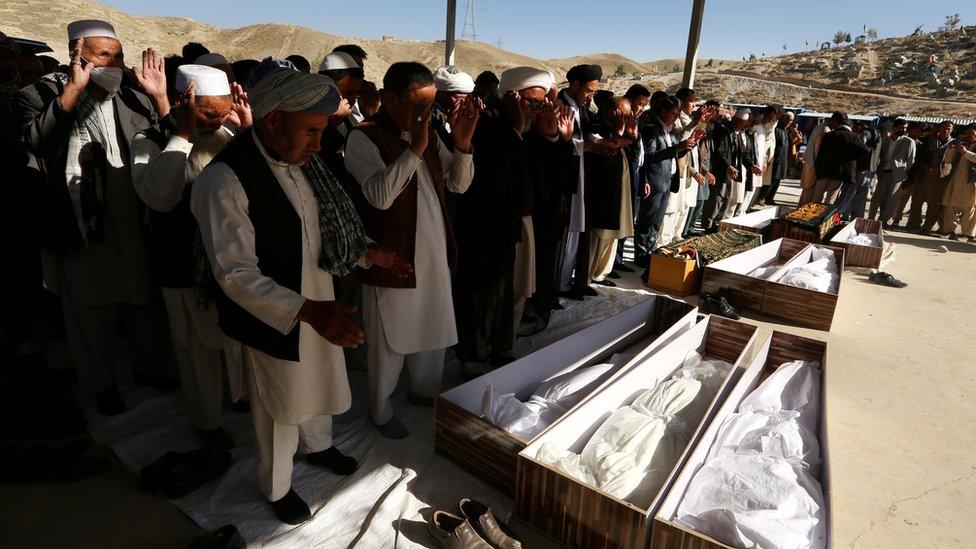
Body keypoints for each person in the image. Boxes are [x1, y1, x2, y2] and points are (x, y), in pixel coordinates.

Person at [191, 68, 412, 524]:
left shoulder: (300, 162)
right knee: (279, 404)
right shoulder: (225, 181)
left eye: (321, 132)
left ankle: (319, 448)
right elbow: (234, 274)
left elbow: (319, 231)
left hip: (317, 298)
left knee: (321, 379)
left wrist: (369, 254)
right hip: (272, 313)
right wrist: (308, 310)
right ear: (273, 121)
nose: (317, 144)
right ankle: (276, 486)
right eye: (311, 131)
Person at [19, 20, 175, 415]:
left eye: (119, 56)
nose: (116, 63)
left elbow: (169, 140)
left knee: (143, 301)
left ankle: (149, 369)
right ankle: (100, 384)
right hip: (81, 224)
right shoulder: (37, 95)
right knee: (89, 311)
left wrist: (160, 99)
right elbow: (37, 141)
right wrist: (73, 90)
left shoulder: (134, 98)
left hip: (134, 221)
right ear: (77, 53)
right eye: (104, 55)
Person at [344, 62, 478, 439]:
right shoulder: (363, 137)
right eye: (417, 106)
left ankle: (424, 391)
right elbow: (379, 197)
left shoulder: (430, 133)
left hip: (432, 252)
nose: (425, 115)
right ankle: (380, 410)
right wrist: (415, 149)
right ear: (389, 98)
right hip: (393, 256)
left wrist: (463, 144)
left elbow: (458, 185)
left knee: (432, 325)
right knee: (388, 340)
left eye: (430, 107)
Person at [130, 64, 252, 449]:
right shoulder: (148, 142)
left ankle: (238, 401)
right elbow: (161, 197)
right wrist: (182, 133)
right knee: (195, 352)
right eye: (208, 114)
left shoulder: (226, 135)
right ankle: (207, 423)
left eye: (222, 114)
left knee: (231, 342)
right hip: (181, 267)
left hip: (229, 265)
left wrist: (248, 134)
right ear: (185, 103)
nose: (215, 122)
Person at [453, 66, 563, 376]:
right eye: (530, 102)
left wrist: (553, 136)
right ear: (510, 98)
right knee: (481, 290)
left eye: (540, 103)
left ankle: (504, 344)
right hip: (485, 225)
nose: (535, 109)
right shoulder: (486, 124)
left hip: (522, 220)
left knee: (516, 288)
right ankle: (472, 353)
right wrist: (514, 129)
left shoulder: (535, 128)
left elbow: (554, 173)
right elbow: (487, 173)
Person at [634, 96, 698, 272]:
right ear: (663, 111)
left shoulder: (669, 130)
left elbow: (673, 155)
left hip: (667, 182)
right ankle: (640, 255)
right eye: (673, 113)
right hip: (654, 181)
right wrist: (676, 148)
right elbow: (651, 156)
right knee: (646, 221)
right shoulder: (651, 129)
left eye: (678, 114)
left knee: (656, 222)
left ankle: (649, 251)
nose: (676, 117)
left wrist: (685, 147)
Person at [555, 64, 602, 300]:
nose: (590, 95)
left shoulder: (581, 107)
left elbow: (586, 134)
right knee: (567, 235)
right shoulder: (559, 105)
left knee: (577, 233)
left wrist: (601, 142)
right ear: (574, 85)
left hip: (583, 178)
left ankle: (569, 282)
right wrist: (591, 146)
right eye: (589, 90)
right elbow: (558, 143)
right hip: (565, 182)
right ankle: (558, 286)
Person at [586, 95, 636, 284]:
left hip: (618, 191)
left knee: (611, 238)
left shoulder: (620, 130)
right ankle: (587, 277)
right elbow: (602, 158)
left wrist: (628, 134)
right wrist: (617, 134)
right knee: (597, 240)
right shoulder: (598, 127)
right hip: (603, 193)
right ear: (610, 112)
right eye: (622, 115)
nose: (624, 119)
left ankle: (600, 273)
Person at [614, 84, 651, 271]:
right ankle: (613, 261)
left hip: (636, 175)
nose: (643, 108)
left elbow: (642, 156)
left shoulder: (639, 122)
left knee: (628, 218)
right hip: (622, 175)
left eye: (645, 105)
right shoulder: (620, 121)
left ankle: (618, 261)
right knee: (619, 217)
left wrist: (643, 180)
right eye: (640, 103)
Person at [699, 109, 755, 231]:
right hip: (720, 171)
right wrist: (728, 166)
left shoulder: (738, 133)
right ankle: (708, 226)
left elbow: (743, 152)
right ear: (737, 120)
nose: (743, 126)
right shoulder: (723, 131)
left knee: (726, 200)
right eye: (741, 123)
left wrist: (751, 165)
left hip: (730, 173)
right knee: (716, 199)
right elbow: (720, 152)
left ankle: (717, 225)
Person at [317, 51, 365, 178]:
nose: (353, 99)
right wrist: (331, 123)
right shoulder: (311, 112)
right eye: (347, 93)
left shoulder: (352, 113)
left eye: (356, 93)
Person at [814, 112, 872, 206]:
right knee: (830, 198)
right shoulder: (854, 137)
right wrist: (852, 159)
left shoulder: (829, 135)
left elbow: (820, 154)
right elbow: (866, 150)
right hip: (840, 172)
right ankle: (823, 218)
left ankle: (810, 217)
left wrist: (817, 169)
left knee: (817, 197)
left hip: (824, 171)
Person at [907, 120, 954, 233]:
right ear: (939, 128)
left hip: (942, 177)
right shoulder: (930, 140)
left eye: (949, 128)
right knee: (917, 199)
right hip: (925, 174)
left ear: (952, 130)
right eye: (944, 128)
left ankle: (927, 227)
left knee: (935, 204)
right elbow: (921, 155)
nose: (946, 130)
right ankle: (913, 224)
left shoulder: (954, 143)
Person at [868, 118, 915, 226]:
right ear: (894, 128)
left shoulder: (909, 142)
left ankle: (883, 221)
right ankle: (871, 217)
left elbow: (911, 160)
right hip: (883, 172)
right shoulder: (885, 140)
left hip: (898, 174)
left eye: (905, 128)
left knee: (892, 198)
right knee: (878, 196)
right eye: (901, 128)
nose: (904, 130)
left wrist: (902, 171)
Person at [940, 124, 976, 242]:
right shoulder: (960, 144)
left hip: (971, 182)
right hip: (956, 180)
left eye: (972, 133)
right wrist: (950, 149)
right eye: (967, 133)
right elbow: (948, 160)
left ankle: (967, 234)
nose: (969, 136)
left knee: (969, 208)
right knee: (951, 206)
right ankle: (949, 231)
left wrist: (966, 152)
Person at [761, 111, 793, 207]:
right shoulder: (776, 129)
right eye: (787, 119)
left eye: (790, 120)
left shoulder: (786, 131)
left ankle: (770, 198)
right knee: (770, 179)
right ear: (782, 118)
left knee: (777, 180)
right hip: (774, 159)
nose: (788, 122)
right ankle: (762, 197)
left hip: (782, 160)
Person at [799, 115, 830, 205]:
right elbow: (818, 149)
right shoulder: (825, 130)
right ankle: (802, 214)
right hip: (814, 164)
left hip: (809, 162)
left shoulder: (819, 127)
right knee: (810, 192)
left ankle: (799, 211)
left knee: (806, 191)